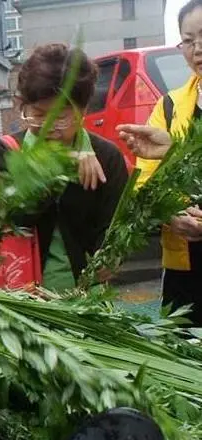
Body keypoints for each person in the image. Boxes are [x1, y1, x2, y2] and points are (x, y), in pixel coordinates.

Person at [0, 43, 129, 292]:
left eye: (60, 117)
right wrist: (61, 166)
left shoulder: (107, 158)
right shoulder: (7, 152)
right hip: (23, 298)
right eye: (38, 114)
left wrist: (107, 260)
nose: (47, 126)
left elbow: (114, 229)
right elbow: (14, 219)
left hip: (87, 298)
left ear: (84, 110)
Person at [115, 0, 202, 325]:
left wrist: (176, 151)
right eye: (188, 40)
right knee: (182, 350)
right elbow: (144, 181)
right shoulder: (169, 106)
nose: (197, 50)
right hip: (185, 264)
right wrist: (168, 215)